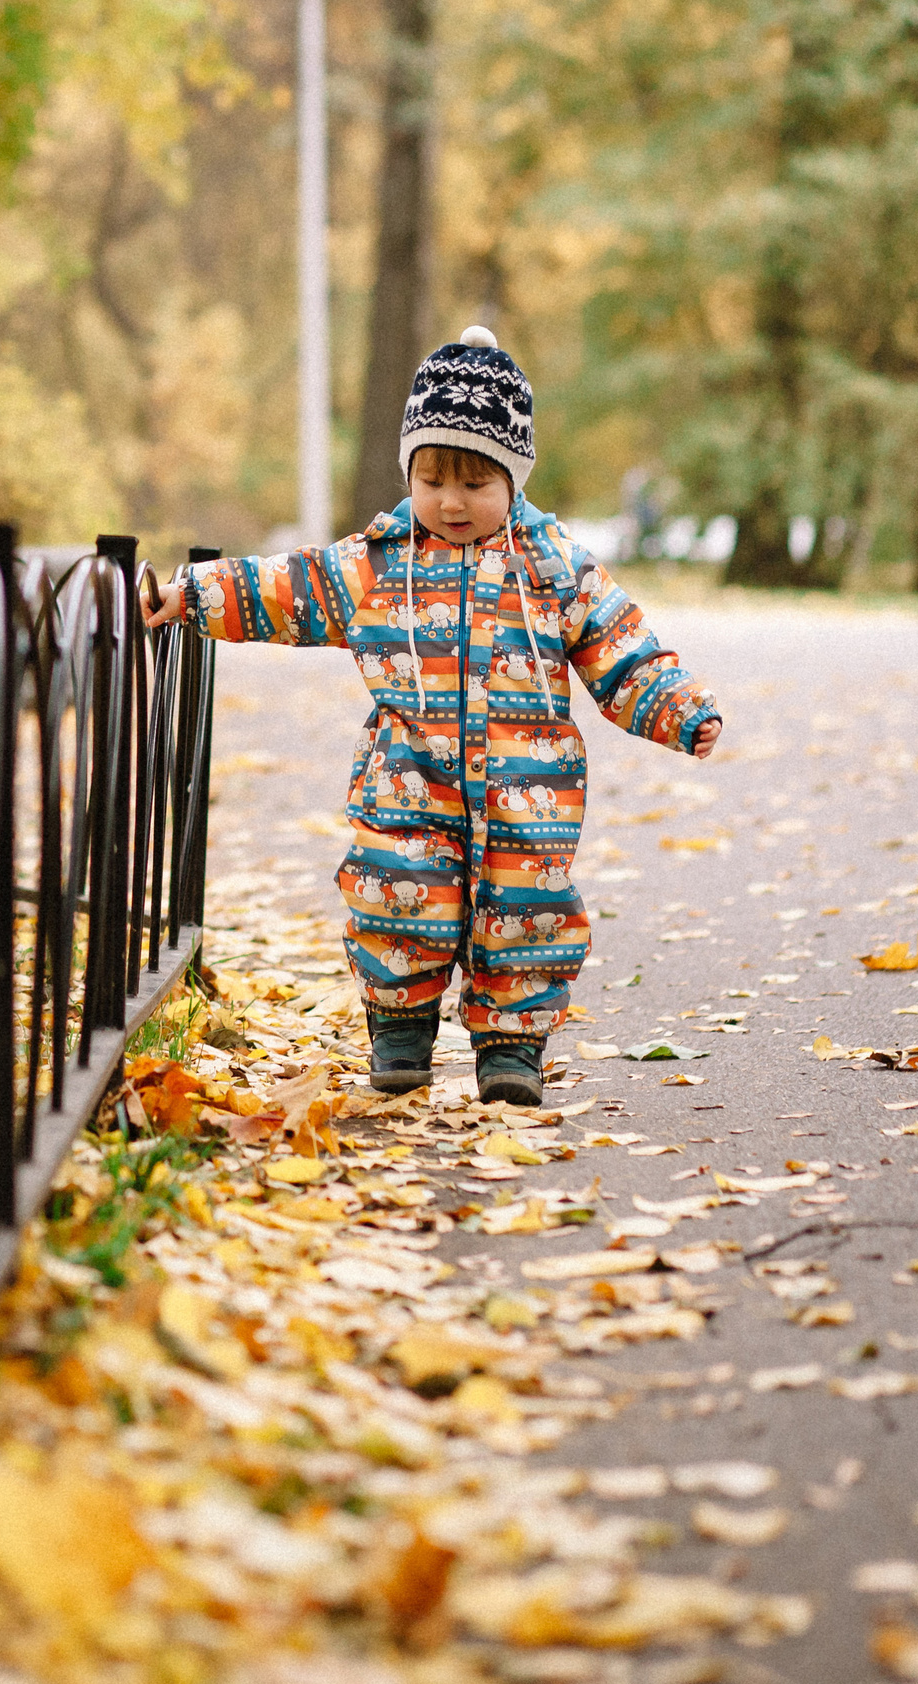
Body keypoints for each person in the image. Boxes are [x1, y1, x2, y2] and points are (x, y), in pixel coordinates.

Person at [143, 327, 722, 1105]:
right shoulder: (378, 564)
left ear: (514, 478)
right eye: (433, 478)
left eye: (475, 482)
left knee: (527, 908)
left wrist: (680, 710)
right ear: (410, 472)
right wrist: (192, 593)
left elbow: (623, 648)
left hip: (531, 791)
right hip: (406, 783)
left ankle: (512, 1045)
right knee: (395, 893)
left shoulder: (556, 568)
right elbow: (288, 585)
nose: (451, 501)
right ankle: (401, 1029)